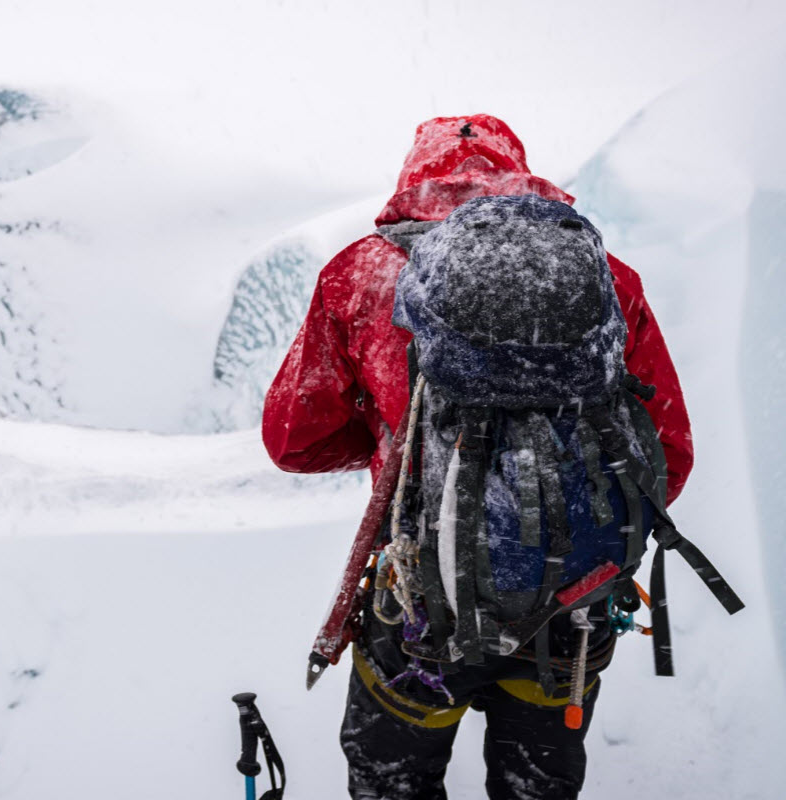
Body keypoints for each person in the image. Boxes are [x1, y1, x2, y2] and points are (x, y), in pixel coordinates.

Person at [261, 115, 692, 800]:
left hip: (424, 608)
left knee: (393, 781)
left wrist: (386, 437)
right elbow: (667, 453)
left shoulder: (361, 275)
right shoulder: (609, 278)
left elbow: (294, 440)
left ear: (413, 180)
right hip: (569, 611)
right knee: (536, 786)